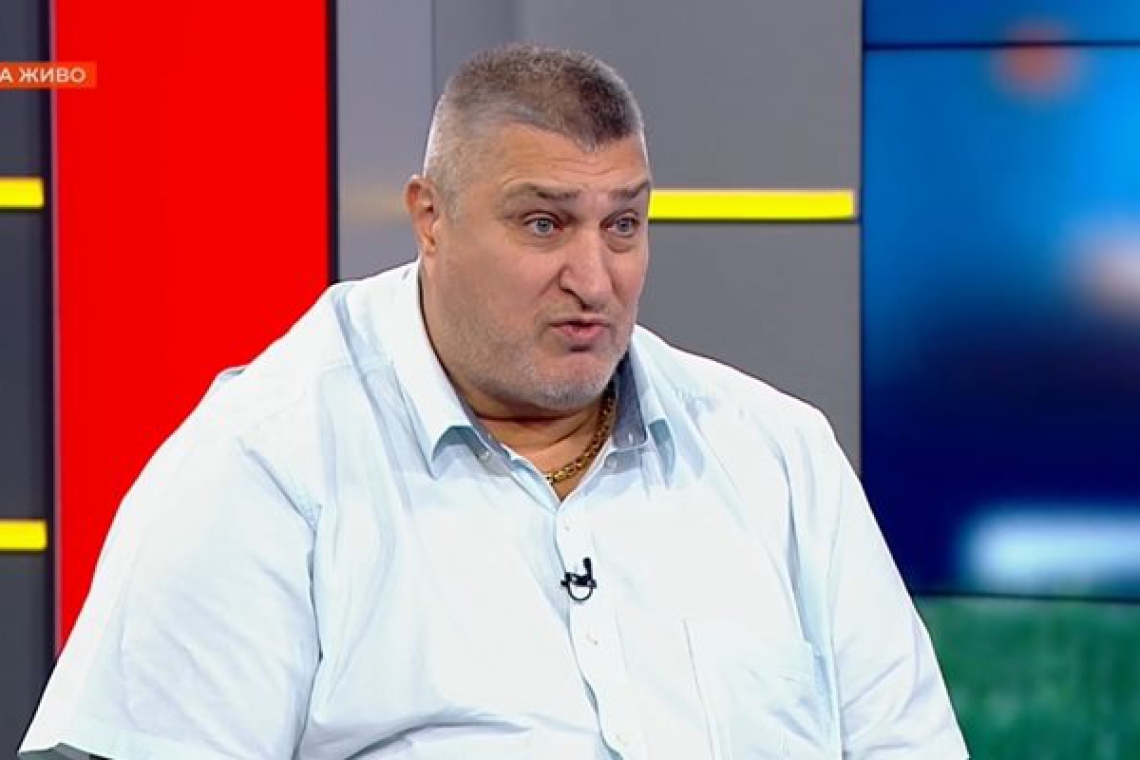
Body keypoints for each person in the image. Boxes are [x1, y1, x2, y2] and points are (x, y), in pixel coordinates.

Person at [21, 43, 968, 759]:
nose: (594, 279)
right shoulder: (267, 462)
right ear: (430, 218)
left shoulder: (779, 456)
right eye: (545, 223)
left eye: (623, 225)